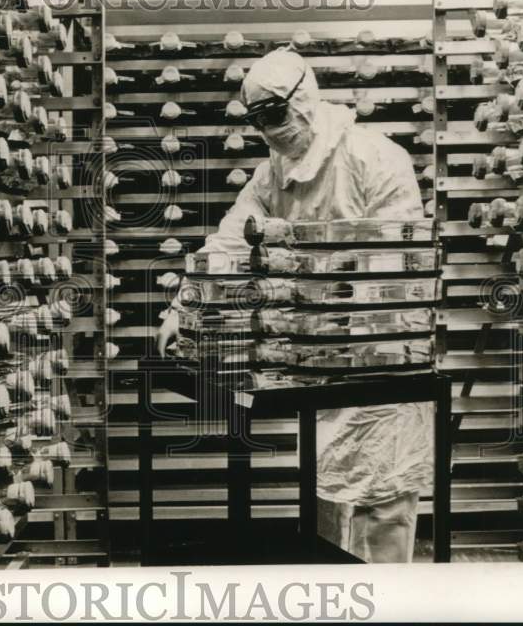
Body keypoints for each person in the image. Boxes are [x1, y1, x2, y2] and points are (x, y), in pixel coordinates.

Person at [156, 46, 432, 563]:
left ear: (303, 99)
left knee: (385, 502)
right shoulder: (271, 174)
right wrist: (181, 306)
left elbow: (398, 261)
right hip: (315, 364)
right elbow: (229, 243)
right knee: (327, 496)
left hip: (382, 357)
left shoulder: (376, 157)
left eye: (276, 114)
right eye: (258, 119)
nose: (270, 129)